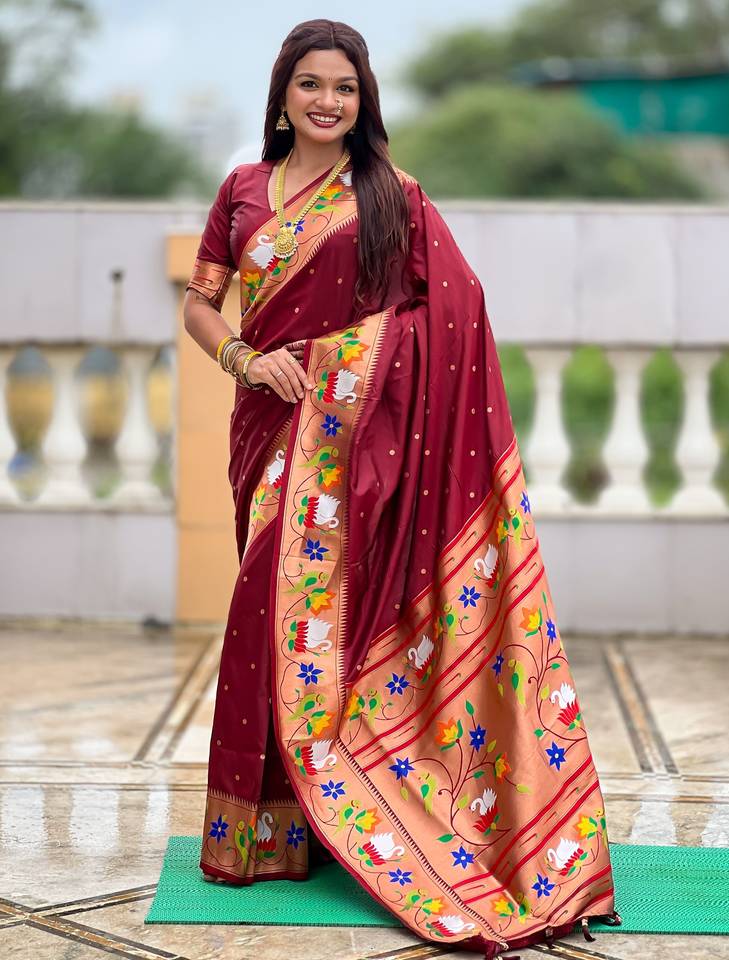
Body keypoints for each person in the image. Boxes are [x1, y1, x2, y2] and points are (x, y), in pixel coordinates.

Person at [182, 18, 621, 959]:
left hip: (353, 444)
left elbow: (451, 312)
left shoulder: (392, 196)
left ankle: (351, 796)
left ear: (363, 98)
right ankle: (269, 830)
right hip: (268, 431)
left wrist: (342, 364)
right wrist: (246, 361)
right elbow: (199, 300)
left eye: (343, 87)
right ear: (283, 93)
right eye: (310, 85)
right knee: (268, 610)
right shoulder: (244, 191)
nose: (326, 102)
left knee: (321, 612)